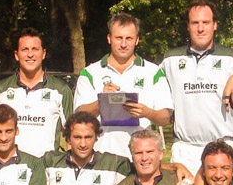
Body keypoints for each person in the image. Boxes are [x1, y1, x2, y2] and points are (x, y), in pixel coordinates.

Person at [160, 0, 233, 172]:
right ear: (188, 26)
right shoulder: (169, 59)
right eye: (195, 23)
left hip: (223, 147)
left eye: (206, 22)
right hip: (185, 149)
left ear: (214, 25)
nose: (201, 28)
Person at [74, 12, 173, 158]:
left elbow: (165, 118)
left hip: (141, 159)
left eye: (129, 38)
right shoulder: (90, 73)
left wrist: (147, 113)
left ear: (137, 40)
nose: (124, 44)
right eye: (119, 38)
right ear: (109, 38)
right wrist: (102, 102)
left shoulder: (153, 72)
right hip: (101, 157)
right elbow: (79, 118)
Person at [0, 28, 72, 157]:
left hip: (46, 170)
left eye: (35, 49)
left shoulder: (61, 90)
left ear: (43, 53)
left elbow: (71, 134)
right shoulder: (0, 89)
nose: (30, 55)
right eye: (25, 50)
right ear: (16, 55)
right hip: (9, 169)